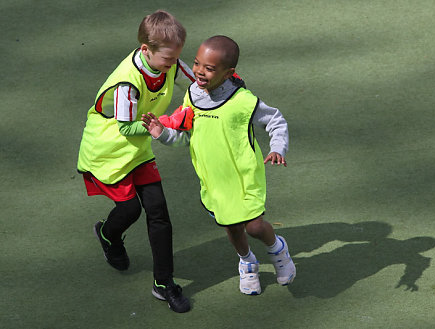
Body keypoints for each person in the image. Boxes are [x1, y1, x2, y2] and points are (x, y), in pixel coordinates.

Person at [142, 35, 296, 295]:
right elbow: (187, 136)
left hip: (244, 176)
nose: (200, 72)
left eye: (210, 68)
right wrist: (162, 134)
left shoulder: (243, 101)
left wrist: (277, 148)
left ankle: (278, 250)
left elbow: (276, 121)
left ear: (228, 73)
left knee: (255, 225)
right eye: (197, 63)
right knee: (232, 226)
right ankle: (247, 261)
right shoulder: (192, 95)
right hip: (213, 179)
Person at [77, 10, 194, 313]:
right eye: (168, 59)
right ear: (146, 50)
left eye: (175, 58)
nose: (173, 65)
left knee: (158, 211)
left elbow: (197, 87)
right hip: (109, 150)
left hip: (139, 148)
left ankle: (163, 283)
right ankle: (107, 234)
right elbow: (127, 127)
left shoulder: (169, 62)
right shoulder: (127, 84)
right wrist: (168, 123)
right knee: (130, 209)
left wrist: (224, 90)